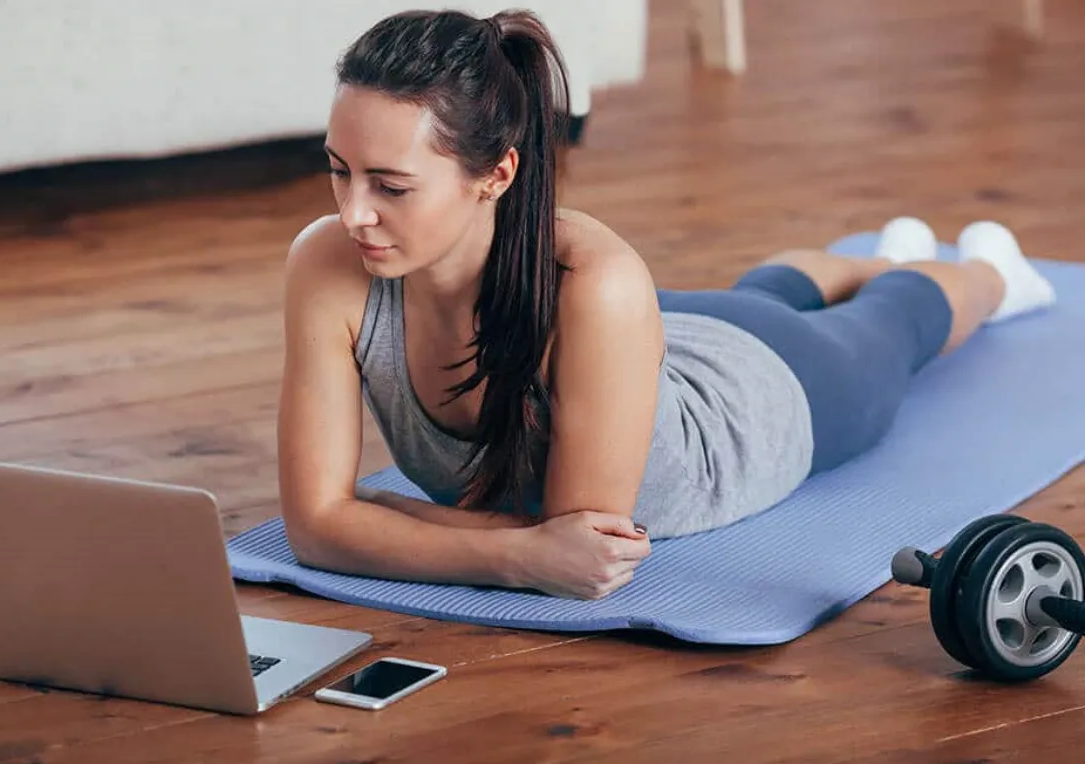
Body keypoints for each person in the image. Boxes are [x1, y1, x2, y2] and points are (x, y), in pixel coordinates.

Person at [276, 9, 1057, 600]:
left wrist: (376, 516)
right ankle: (876, 254)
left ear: (496, 175)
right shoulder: (327, 261)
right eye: (340, 171)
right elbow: (320, 528)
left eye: (391, 185)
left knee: (895, 322)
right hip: (650, 339)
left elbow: (579, 542)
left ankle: (981, 269)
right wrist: (508, 552)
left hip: (751, 403)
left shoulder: (596, 282)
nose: (353, 214)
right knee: (758, 296)